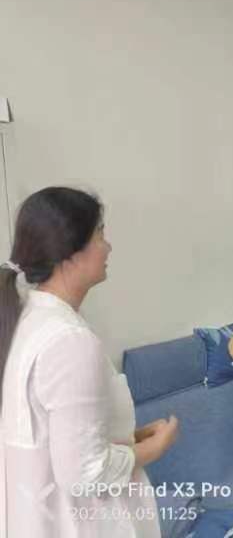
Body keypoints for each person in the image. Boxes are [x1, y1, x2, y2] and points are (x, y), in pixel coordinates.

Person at [0, 187, 179, 537]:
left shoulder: (30, 320)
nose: (108, 247)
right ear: (69, 251)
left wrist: (129, 438)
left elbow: (57, 441)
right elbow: (83, 473)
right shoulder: (68, 340)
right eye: (100, 234)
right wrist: (153, 449)